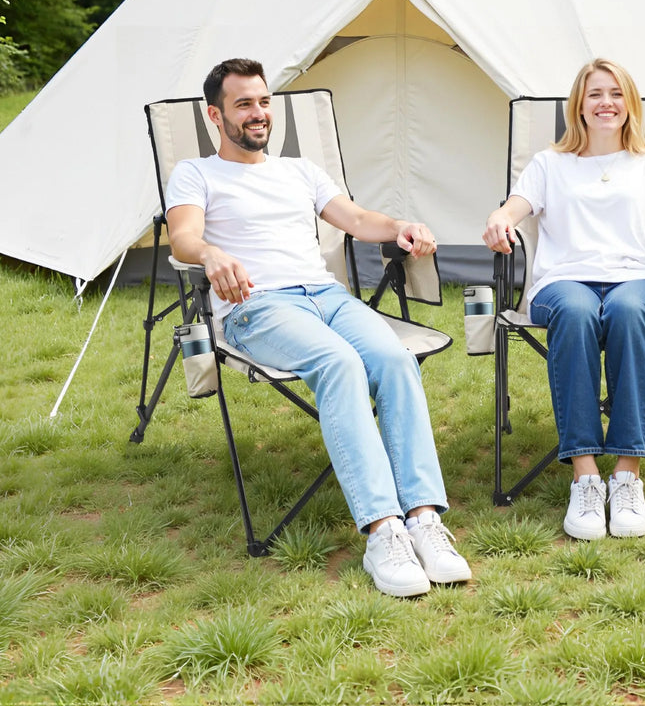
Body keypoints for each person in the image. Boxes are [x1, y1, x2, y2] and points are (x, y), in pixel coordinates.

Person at [165, 58, 470, 596]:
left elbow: (354, 220)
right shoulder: (196, 173)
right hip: (256, 306)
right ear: (216, 115)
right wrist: (211, 253)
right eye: (243, 105)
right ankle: (383, 531)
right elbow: (183, 237)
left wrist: (401, 226)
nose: (258, 114)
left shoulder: (300, 170)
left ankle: (424, 520)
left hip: (327, 296)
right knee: (339, 363)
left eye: (263, 102)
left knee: (395, 361)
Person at [482, 58, 645, 541]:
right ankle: (587, 477)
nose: (606, 103)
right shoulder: (550, 164)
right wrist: (499, 219)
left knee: (628, 310)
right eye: (595, 94)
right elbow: (515, 206)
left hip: (637, 281)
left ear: (630, 103)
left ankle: (628, 475)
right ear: (580, 104)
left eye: (615, 93)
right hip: (562, 282)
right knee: (574, 313)